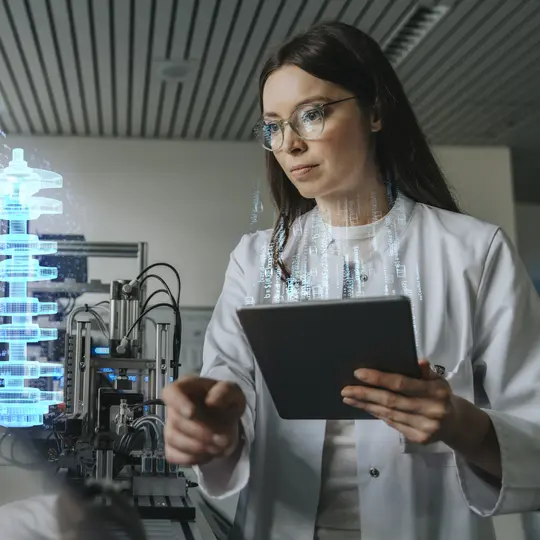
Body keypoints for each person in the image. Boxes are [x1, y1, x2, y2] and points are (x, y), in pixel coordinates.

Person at [162, 20, 540, 540]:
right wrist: (213, 427)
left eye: (311, 115)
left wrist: (460, 423)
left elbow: (535, 433)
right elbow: (232, 399)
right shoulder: (256, 261)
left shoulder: (474, 252)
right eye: (273, 126)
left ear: (376, 111)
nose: (289, 144)